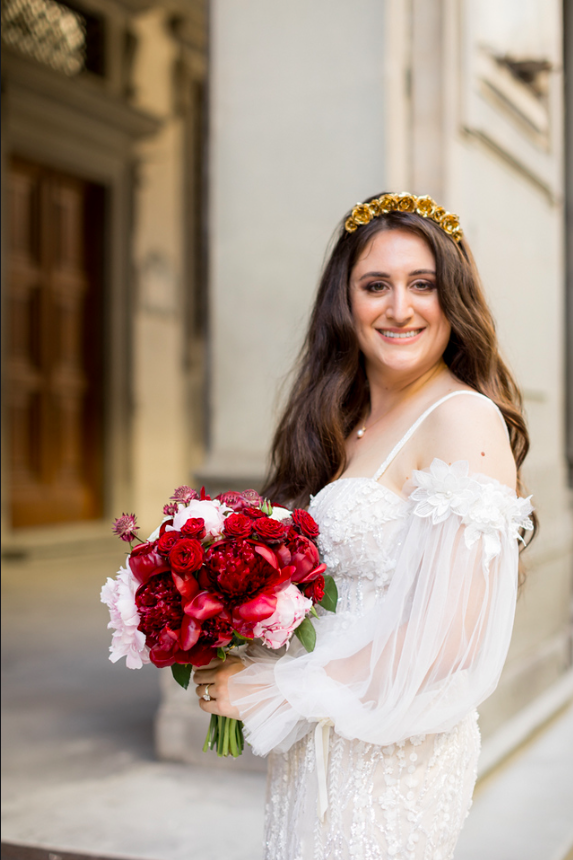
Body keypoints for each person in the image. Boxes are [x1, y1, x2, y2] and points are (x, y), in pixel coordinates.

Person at [192, 192, 536, 860]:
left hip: (393, 749)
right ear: (343, 302)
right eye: (374, 285)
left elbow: (453, 636)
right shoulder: (341, 425)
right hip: (321, 738)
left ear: (452, 298)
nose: (398, 308)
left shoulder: (460, 418)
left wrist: (272, 688)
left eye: (423, 285)